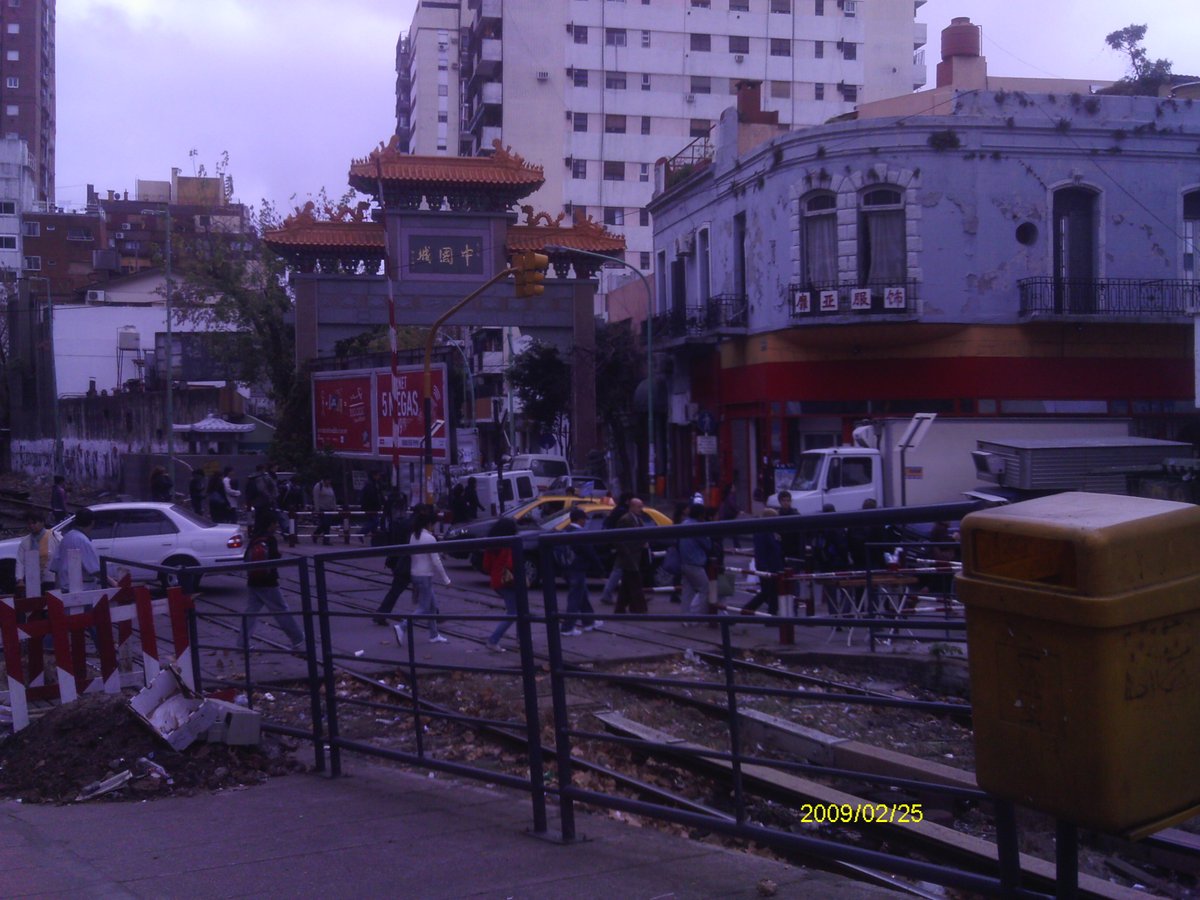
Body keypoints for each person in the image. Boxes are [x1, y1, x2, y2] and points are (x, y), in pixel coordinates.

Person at [239, 508, 305, 651]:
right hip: (268, 582)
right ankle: (298, 639)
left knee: (251, 611)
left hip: (253, 580)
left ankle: (242, 642)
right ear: (270, 524)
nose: (276, 526)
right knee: (281, 610)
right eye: (275, 523)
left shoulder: (255, 537)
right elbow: (274, 558)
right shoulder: (270, 539)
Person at [406, 509, 451, 643]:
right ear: (429, 524)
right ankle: (403, 626)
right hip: (425, 576)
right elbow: (436, 561)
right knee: (424, 608)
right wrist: (446, 579)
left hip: (415, 574)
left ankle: (434, 634)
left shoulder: (414, 536)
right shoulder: (430, 538)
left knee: (432, 606)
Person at [559, 506, 604, 635]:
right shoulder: (580, 534)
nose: (585, 522)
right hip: (577, 569)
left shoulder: (565, 532)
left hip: (567, 568)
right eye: (584, 519)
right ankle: (568, 627)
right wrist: (599, 568)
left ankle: (589, 621)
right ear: (580, 520)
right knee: (575, 598)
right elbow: (590, 553)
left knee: (582, 595)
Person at [373, 495, 413, 625]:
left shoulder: (389, 522)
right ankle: (434, 614)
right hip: (404, 562)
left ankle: (381, 613)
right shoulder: (405, 523)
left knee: (398, 589)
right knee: (421, 587)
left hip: (395, 560)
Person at [481, 517, 519, 652]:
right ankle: (493, 640)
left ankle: (521, 638)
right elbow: (511, 564)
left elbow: (486, 566)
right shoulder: (509, 544)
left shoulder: (491, 544)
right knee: (514, 612)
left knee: (517, 609)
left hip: (497, 581)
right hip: (509, 581)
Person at [49, 507, 102, 591]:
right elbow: (95, 570)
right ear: (92, 522)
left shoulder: (66, 537)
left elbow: (55, 565)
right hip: (82, 587)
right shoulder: (83, 540)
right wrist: (113, 582)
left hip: (65, 585)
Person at [742, 508, 783, 617]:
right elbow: (760, 551)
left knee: (771, 592)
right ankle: (748, 611)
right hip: (767, 567)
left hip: (773, 565)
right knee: (768, 592)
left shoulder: (770, 531)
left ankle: (771, 614)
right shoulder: (762, 532)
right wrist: (763, 567)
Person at [613, 498, 649, 615]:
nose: (641, 509)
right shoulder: (625, 520)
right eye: (639, 507)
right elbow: (620, 539)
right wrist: (627, 553)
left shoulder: (637, 519)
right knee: (635, 582)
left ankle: (621, 608)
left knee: (627, 585)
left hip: (636, 556)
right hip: (629, 557)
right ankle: (639, 608)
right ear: (632, 507)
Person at [678, 503, 713, 622]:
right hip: (696, 562)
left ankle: (685, 618)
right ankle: (698, 617)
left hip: (684, 562)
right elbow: (707, 544)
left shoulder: (684, 523)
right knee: (706, 588)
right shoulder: (698, 527)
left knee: (687, 591)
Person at [598, 492, 633, 606]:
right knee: (619, 570)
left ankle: (631, 596)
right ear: (628, 501)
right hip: (622, 545)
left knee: (621, 571)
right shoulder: (623, 513)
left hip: (616, 544)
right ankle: (608, 595)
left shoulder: (617, 510)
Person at [15, 510, 59, 597]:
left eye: (34, 523)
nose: (31, 526)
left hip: (51, 580)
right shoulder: (25, 542)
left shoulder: (54, 537)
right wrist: (20, 579)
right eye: (29, 523)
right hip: (32, 580)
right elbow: (20, 562)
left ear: (42, 522)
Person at [311, 477, 338, 545]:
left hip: (330, 508)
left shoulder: (330, 487)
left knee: (327, 524)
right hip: (322, 508)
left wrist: (334, 507)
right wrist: (317, 509)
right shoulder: (318, 486)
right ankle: (318, 535)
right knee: (325, 523)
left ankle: (325, 539)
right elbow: (316, 498)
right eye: (328, 480)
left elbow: (333, 497)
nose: (329, 481)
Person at [359, 471, 383, 543]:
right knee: (374, 522)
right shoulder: (370, 484)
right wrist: (378, 504)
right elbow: (372, 497)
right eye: (377, 475)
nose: (379, 477)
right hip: (370, 507)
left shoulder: (375, 484)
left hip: (373, 507)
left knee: (373, 523)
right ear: (374, 476)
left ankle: (374, 540)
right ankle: (361, 532)